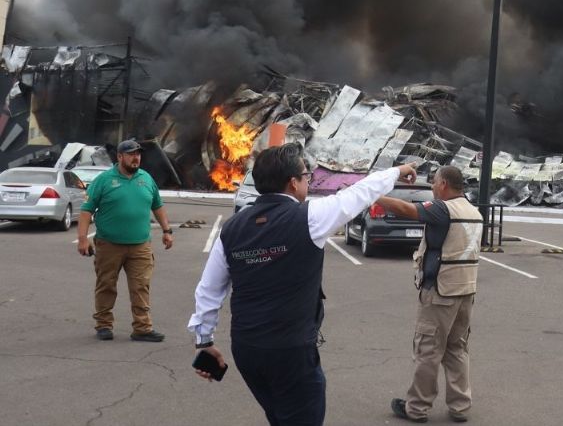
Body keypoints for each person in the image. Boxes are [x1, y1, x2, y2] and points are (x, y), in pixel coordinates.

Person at [187, 143, 417, 426]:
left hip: (247, 349)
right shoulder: (309, 217)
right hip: (290, 350)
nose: (308, 181)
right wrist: (398, 170)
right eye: (306, 176)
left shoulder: (231, 228)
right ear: (293, 183)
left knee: (280, 415)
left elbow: (209, 289)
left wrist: (204, 340)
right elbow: (359, 193)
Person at [376, 165, 483, 423]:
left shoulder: (442, 209)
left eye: (434, 182)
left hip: (440, 292)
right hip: (466, 290)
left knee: (427, 350)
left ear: (444, 184)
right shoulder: (474, 211)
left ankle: (417, 408)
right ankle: (460, 407)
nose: (432, 187)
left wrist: (371, 196)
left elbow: (405, 209)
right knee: (457, 348)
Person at [77, 138, 174, 342]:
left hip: (140, 245)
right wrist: (82, 239)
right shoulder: (103, 180)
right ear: (120, 157)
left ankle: (142, 328)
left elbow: (158, 205)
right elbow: (86, 211)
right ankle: (103, 325)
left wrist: (167, 230)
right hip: (109, 245)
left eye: (138, 154)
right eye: (131, 154)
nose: (136, 157)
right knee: (106, 285)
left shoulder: (146, 179)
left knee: (141, 286)